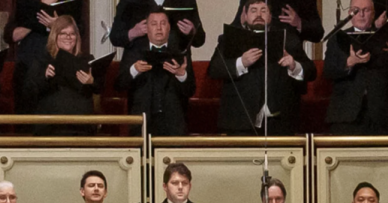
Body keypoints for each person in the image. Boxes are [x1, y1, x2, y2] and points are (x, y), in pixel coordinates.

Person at [209, 0, 315, 136]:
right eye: (253, 10)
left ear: (270, 16)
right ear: (245, 15)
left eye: (263, 10)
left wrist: (294, 66)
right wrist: (242, 62)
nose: (258, 15)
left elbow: (311, 72)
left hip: (280, 123)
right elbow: (214, 69)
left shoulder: (288, 39)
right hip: (240, 123)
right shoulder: (229, 39)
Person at [115, 8, 196, 137]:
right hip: (142, 122)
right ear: (146, 28)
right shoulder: (133, 51)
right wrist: (134, 70)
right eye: (154, 24)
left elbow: (191, 90)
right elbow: (119, 85)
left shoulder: (181, 52)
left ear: (169, 27)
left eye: (163, 23)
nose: (159, 28)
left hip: (173, 125)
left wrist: (182, 76)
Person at [324, 0, 388, 135]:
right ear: (349, 13)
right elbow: (328, 71)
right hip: (346, 115)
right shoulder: (337, 38)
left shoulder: (386, 38)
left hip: (380, 116)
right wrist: (348, 63)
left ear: (373, 14)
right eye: (356, 10)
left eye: (366, 10)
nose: (361, 14)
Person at [23, 16, 96, 133]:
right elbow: (28, 91)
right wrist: (44, 76)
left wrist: (91, 82)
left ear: (77, 37)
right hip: (50, 126)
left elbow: (100, 88)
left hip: (80, 126)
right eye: (63, 33)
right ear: (55, 36)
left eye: (72, 34)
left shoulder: (87, 60)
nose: (68, 37)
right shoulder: (42, 60)